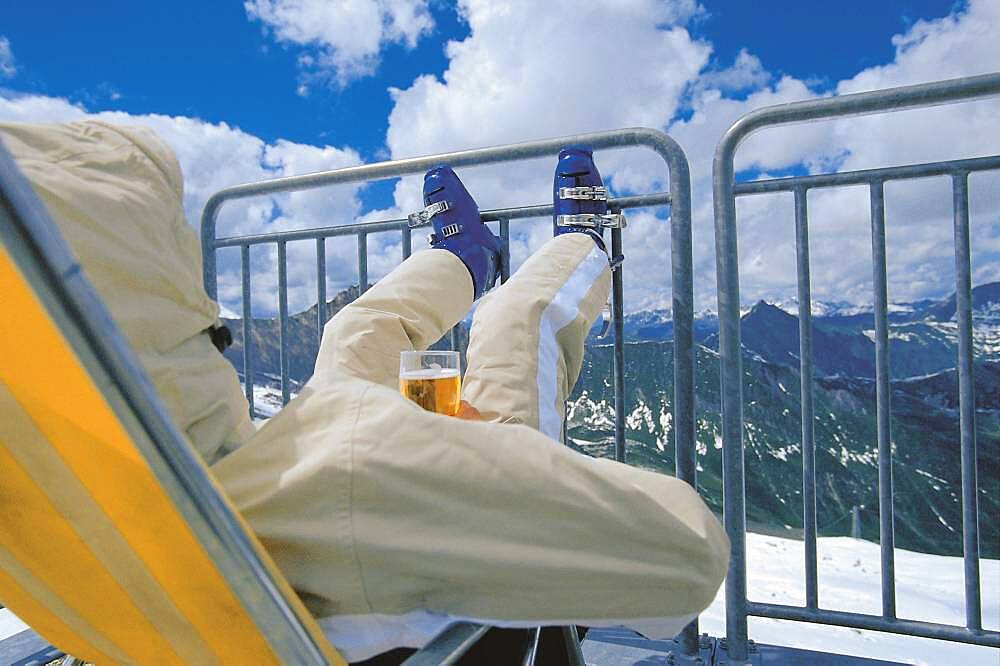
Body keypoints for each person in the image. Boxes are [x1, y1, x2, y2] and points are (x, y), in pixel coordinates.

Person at [1, 122, 729, 664]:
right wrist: (477, 449)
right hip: (409, 582)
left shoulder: (39, 498)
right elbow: (689, 554)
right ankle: (590, 242)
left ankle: (464, 259)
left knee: (354, 334)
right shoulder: (351, 472)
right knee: (519, 321)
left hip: (204, 527)